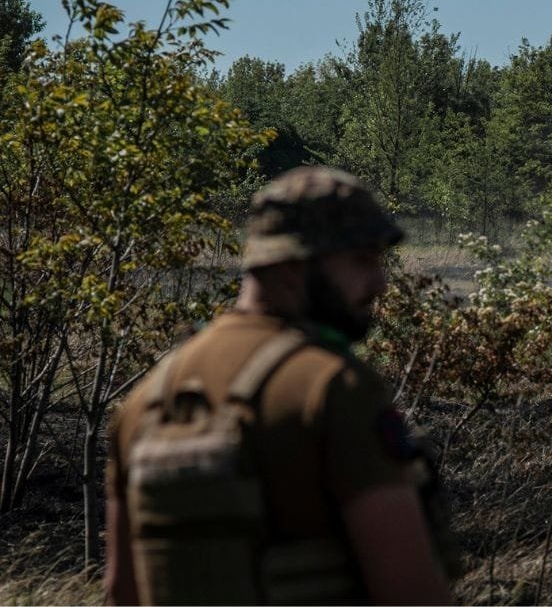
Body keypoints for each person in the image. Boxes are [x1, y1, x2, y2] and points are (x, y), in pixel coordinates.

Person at [104, 166, 456, 605]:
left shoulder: (146, 400)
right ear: (293, 267)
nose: (380, 284)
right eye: (361, 260)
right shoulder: (332, 388)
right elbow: (411, 595)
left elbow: (123, 592)